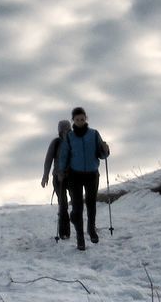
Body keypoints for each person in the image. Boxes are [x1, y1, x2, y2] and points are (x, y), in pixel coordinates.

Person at [58, 106, 110, 251]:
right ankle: (80, 238)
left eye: (82, 119)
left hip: (92, 174)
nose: (80, 121)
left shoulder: (94, 134)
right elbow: (64, 155)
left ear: (85, 118)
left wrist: (106, 150)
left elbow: (102, 153)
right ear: (73, 120)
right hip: (75, 175)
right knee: (78, 207)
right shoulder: (69, 136)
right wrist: (61, 171)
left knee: (91, 203)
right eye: (77, 119)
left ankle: (91, 229)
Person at [41, 118, 72, 239]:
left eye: (67, 129)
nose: (65, 131)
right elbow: (48, 160)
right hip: (58, 178)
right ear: (59, 131)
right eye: (63, 129)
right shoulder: (56, 142)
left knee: (75, 202)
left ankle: (78, 228)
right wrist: (45, 176)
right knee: (63, 203)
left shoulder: (74, 141)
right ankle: (64, 232)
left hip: (72, 177)